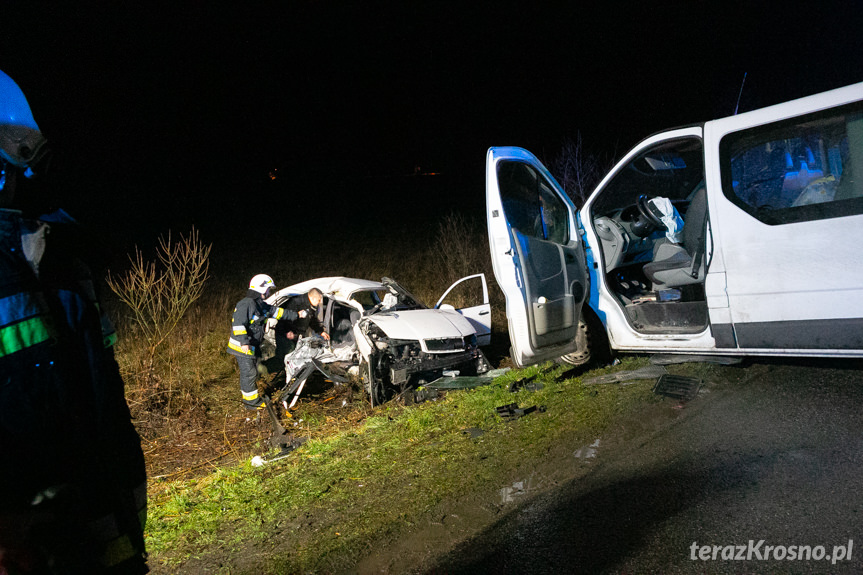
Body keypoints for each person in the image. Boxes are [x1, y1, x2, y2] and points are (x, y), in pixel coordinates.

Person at [0, 70, 149, 573]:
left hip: (103, 518)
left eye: (26, 142)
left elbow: (100, 393)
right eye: (15, 142)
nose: (28, 159)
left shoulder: (59, 254)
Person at [227, 274, 305, 410]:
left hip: (251, 345)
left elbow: (278, 312)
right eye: (268, 289)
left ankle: (252, 397)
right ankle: (251, 404)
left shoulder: (260, 305)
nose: (269, 292)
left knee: (253, 371)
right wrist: (244, 342)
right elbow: (238, 324)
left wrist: (296, 315)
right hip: (242, 346)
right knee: (249, 373)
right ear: (262, 289)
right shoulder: (246, 304)